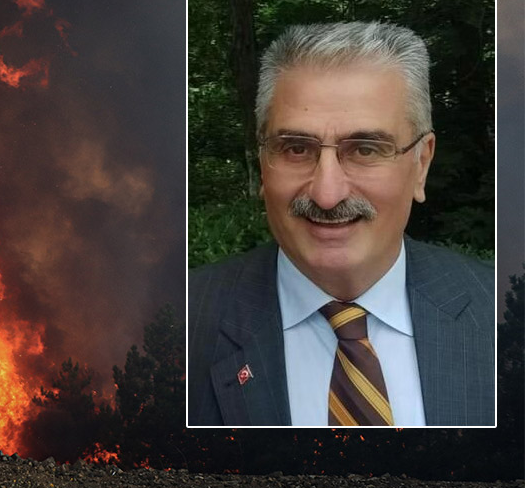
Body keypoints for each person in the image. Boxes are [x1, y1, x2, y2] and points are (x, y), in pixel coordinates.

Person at [188, 22, 494, 427]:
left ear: (421, 164)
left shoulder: (501, 318)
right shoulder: (177, 324)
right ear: (262, 165)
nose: (326, 194)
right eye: (296, 148)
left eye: (365, 149)